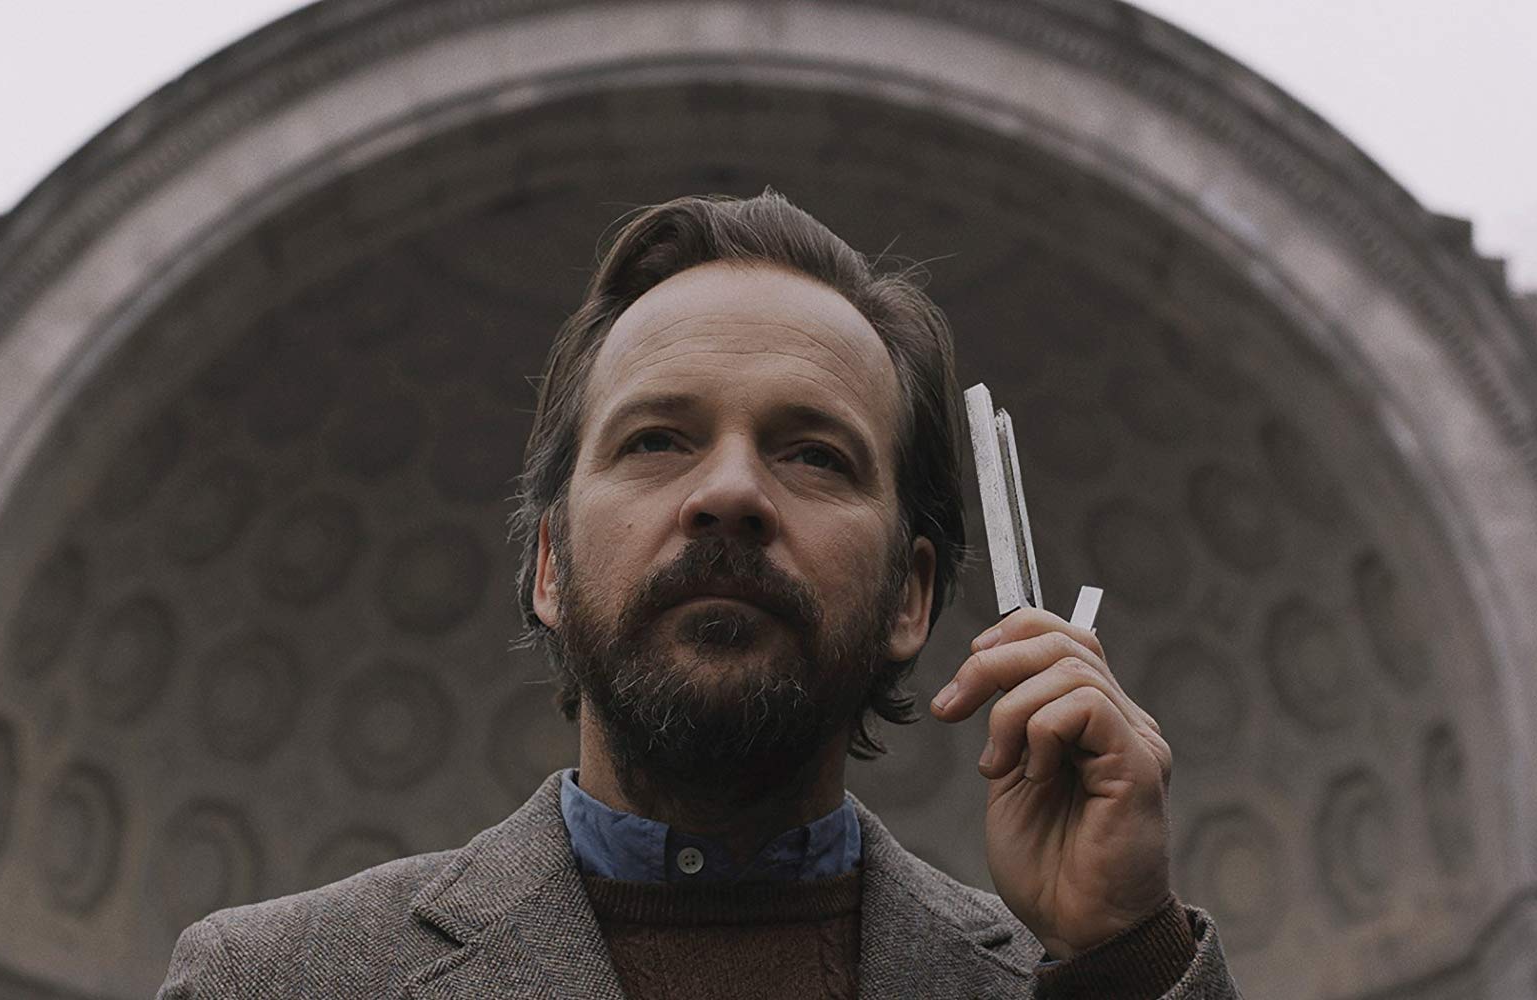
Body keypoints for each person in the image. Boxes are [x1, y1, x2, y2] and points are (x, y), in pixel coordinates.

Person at [156, 189, 1241, 998]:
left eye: (813, 455)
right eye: (657, 440)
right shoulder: (269, 982)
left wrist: (1122, 955)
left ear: (911, 596)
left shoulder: (1064, 985)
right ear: (549, 566)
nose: (730, 493)